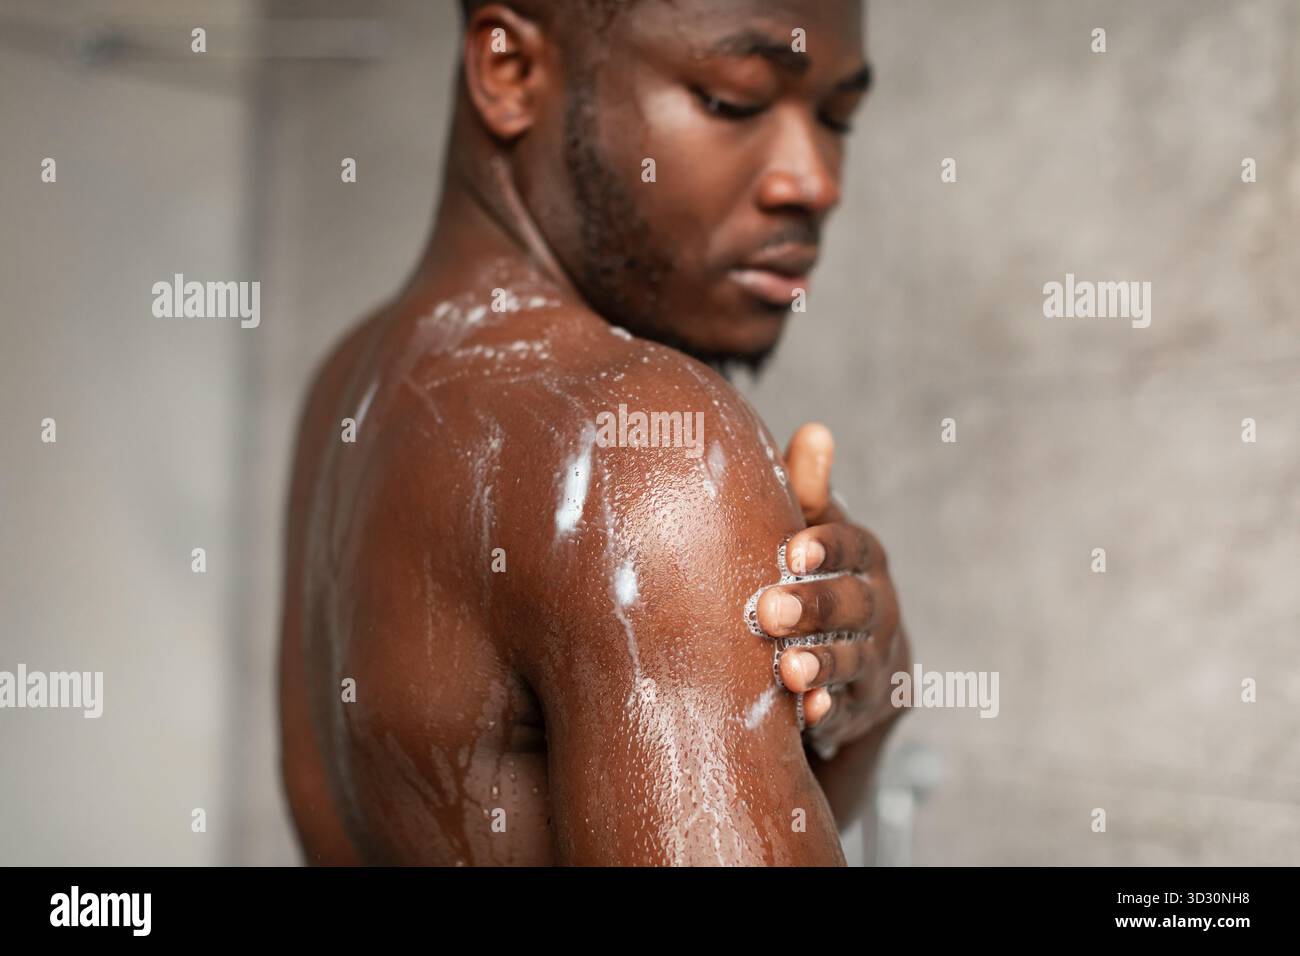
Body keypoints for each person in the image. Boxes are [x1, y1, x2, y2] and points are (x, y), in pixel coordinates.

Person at [279, 0, 910, 866]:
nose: (815, 181)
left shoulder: (345, 389)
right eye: (736, 99)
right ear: (510, 71)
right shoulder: (643, 450)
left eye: (838, 116)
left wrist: (860, 713)